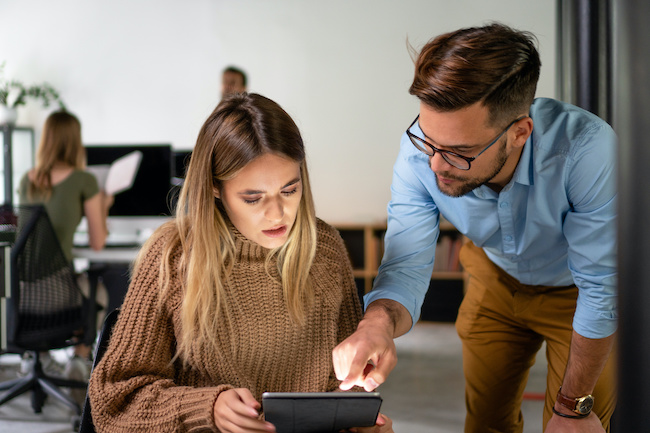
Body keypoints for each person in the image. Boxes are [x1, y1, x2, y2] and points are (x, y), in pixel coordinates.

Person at [333, 23, 617, 433]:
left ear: (519, 132)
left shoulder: (587, 152)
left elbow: (601, 287)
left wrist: (573, 409)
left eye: (460, 153)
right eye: (428, 141)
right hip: (492, 276)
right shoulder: (421, 155)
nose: (435, 165)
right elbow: (407, 261)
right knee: (486, 423)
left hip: (576, 291)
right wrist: (375, 324)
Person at [88, 93, 393, 433]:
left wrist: (358, 423)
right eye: (253, 198)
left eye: (289, 190)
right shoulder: (173, 256)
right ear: (215, 188)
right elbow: (113, 404)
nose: (277, 214)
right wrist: (207, 409)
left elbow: (343, 394)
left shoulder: (325, 251)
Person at [18, 110, 114, 397]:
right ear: (76, 142)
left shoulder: (27, 179)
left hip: (20, 296)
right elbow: (98, 242)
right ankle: (78, 357)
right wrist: (105, 205)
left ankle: (39, 358)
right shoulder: (84, 180)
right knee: (98, 291)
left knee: (59, 281)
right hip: (58, 297)